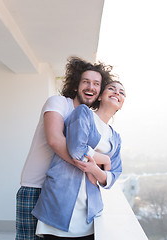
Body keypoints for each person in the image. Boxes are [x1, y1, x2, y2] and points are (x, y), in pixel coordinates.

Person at [16, 56, 115, 240]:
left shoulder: (89, 118)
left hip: (62, 192)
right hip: (36, 187)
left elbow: (102, 159)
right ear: (76, 85)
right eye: (86, 82)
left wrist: (97, 168)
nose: (90, 87)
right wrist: (92, 166)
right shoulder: (59, 102)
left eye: (96, 84)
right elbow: (55, 140)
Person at [32, 81, 126, 239]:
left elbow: (113, 176)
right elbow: (76, 149)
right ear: (101, 96)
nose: (117, 93)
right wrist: (104, 160)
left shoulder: (115, 138)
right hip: (60, 204)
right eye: (111, 88)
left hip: (89, 213)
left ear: (121, 105)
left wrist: (95, 170)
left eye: (122, 92)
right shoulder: (83, 113)